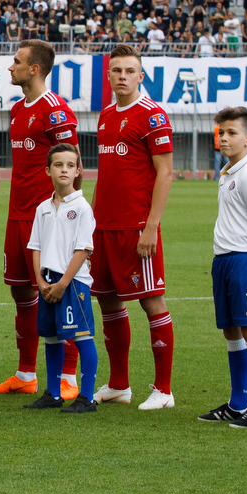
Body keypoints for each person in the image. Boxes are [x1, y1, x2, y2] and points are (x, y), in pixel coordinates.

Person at [0, 40, 82, 398]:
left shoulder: (55, 110)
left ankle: (68, 377)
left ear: (35, 69)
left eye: (16, 62)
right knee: (20, 291)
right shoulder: (17, 109)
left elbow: (73, 165)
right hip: (18, 214)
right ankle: (26, 373)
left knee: (59, 292)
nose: (10, 67)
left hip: (49, 216)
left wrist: (68, 212)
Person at [92, 44, 177, 410]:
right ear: (109, 75)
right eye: (117, 71)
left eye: (130, 71)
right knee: (108, 302)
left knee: (151, 301)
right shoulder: (107, 115)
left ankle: (164, 390)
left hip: (136, 227)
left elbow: (165, 172)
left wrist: (150, 226)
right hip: (104, 226)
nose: (122, 76)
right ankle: (119, 384)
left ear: (140, 76)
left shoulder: (152, 115)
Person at [199, 108, 247, 428]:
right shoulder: (228, 172)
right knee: (231, 330)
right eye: (221, 132)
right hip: (224, 261)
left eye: (231, 133)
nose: (225, 138)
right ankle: (238, 401)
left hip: (244, 260)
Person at [24, 143, 100, 413]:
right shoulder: (43, 207)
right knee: (52, 337)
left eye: (70, 165)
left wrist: (63, 283)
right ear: (48, 170)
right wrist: (41, 282)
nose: (64, 170)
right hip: (47, 282)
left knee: (81, 337)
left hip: (72, 282)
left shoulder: (81, 207)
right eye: (58, 165)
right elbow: (36, 247)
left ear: (78, 171)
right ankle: (53, 394)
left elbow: (83, 249)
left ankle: (87, 397)